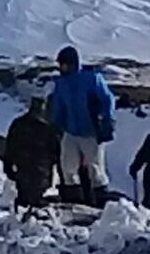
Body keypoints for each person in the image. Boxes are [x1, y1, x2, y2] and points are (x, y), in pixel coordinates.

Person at [50, 46, 116, 206]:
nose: (62, 68)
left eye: (64, 64)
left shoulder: (91, 78)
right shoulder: (61, 84)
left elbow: (108, 99)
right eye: (61, 65)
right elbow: (59, 105)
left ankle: (101, 202)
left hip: (91, 131)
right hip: (71, 130)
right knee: (67, 165)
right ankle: (73, 200)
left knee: (95, 168)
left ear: (73, 64)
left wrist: (106, 120)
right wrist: (56, 124)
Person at [3, 97, 59, 209]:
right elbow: (56, 153)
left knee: (26, 198)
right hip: (39, 173)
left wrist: (8, 166)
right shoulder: (48, 128)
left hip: (24, 172)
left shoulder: (18, 124)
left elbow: (9, 147)